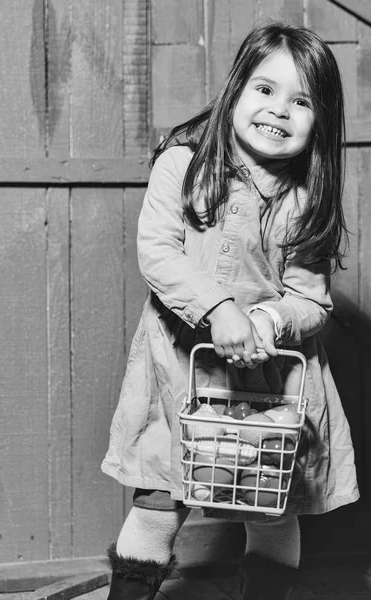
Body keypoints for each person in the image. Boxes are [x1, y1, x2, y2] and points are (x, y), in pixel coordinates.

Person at [101, 22, 359, 599]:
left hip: (271, 379)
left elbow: (309, 298)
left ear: (321, 120)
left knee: (270, 506)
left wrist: (269, 319)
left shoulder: (306, 198)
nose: (279, 111)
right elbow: (158, 253)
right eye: (265, 90)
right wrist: (218, 307)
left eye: (301, 101)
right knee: (159, 496)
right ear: (236, 89)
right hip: (181, 372)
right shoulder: (184, 165)